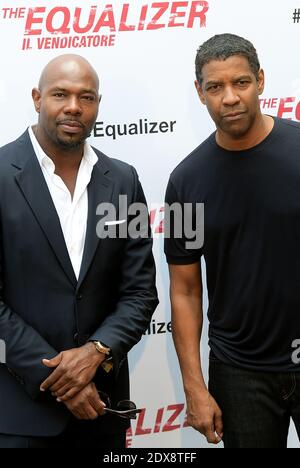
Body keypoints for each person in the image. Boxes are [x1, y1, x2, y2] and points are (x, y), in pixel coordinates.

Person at [0, 54, 158, 448]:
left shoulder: (124, 180)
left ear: (98, 105)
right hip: (19, 415)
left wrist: (95, 351)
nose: (74, 106)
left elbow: (140, 291)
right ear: (37, 98)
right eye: (60, 94)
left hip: (102, 413)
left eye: (86, 97)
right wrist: (62, 380)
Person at [164, 33, 300, 448]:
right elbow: (185, 290)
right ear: (199, 91)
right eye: (215, 87)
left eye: (240, 82)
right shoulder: (185, 182)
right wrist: (194, 388)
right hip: (239, 371)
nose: (229, 98)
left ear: (260, 80)